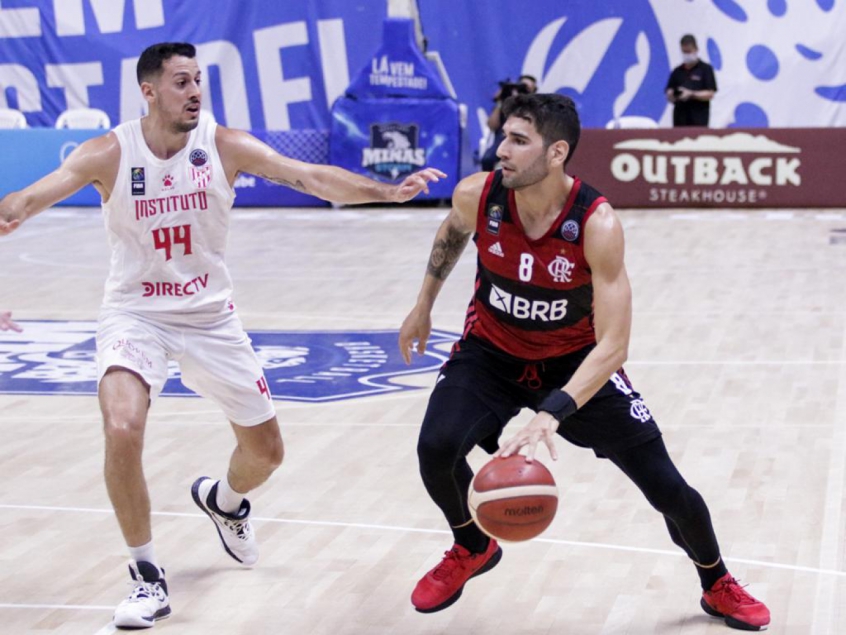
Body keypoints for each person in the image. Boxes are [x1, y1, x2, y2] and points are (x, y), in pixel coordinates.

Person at [0, 42, 444, 630]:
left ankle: (224, 502)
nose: (194, 92)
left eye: (199, 81)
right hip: (136, 316)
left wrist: (387, 191)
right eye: (181, 82)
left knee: (267, 454)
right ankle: (146, 576)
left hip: (212, 320)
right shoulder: (108, 152)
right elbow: (28, 199)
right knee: (122, 424)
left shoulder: (223, 144)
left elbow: (309, 177)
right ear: (149, 92)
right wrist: (13, 209)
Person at [398, 93, 770, 631]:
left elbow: (614, 345)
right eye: (503, 135)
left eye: (517, 141)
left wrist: (553, 410)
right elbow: (453, 232)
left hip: (576, 364)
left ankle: (717, 583)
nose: (501, 150)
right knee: (435, 449)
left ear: (556, 153)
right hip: (491, 354)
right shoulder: (477, 195)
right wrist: (424, 303)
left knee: (670, 489)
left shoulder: (597, 225)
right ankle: (471, 545)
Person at [480, 74, 537, 171]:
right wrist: (500, 101)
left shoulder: (536, 107)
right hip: (503, 138)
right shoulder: (506, 105)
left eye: (526, 88)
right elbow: (492, 125)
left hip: (526, 140)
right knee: (487, 160)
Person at [665, 34, 717, 127]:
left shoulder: (705, 69)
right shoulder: (677, 71)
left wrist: (691, 94)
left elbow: (710, 93)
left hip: (698, 120)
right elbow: (669, 92)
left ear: (696, 49)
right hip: (680, 120)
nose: (687, 55)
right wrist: (672, 94)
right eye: (684, 52)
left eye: (689, 52)